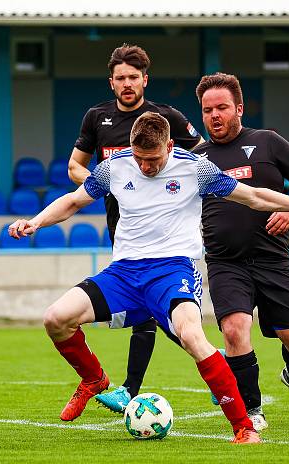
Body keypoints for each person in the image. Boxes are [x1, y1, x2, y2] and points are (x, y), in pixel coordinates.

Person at [9, 111, 289, 443]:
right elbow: (72, 202)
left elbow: (253, 196)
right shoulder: (114, 167)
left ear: (170, 147)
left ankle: (243, 427)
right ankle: (93, 379)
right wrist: (35, 222)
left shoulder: (196, 169)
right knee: (55, 319)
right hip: (125, 273)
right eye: (140, 158)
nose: (146, 167)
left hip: (172, 270)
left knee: (192, 336)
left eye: (154, 160)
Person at [67, 44, 204, 411]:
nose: (127, 84)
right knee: (150, 309)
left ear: (145, 79)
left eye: (133, 77)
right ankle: (213, 358)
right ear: (111, 83)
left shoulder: (167, 116)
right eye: (120, 78)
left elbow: (204, 157)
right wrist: (103, 181)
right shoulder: (97, 117)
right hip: (123, 225)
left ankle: (129, 387)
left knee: (149, 307)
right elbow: (74, 167)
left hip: (167, 231)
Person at [191, 72, 289, 432]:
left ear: (239, 108)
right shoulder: (195, 159)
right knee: (235, 330)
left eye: (222, 107)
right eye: (207, 110)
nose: (215, 116)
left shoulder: (267, 142)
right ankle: (252, 411)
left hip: (272, 259)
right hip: (225, 262)